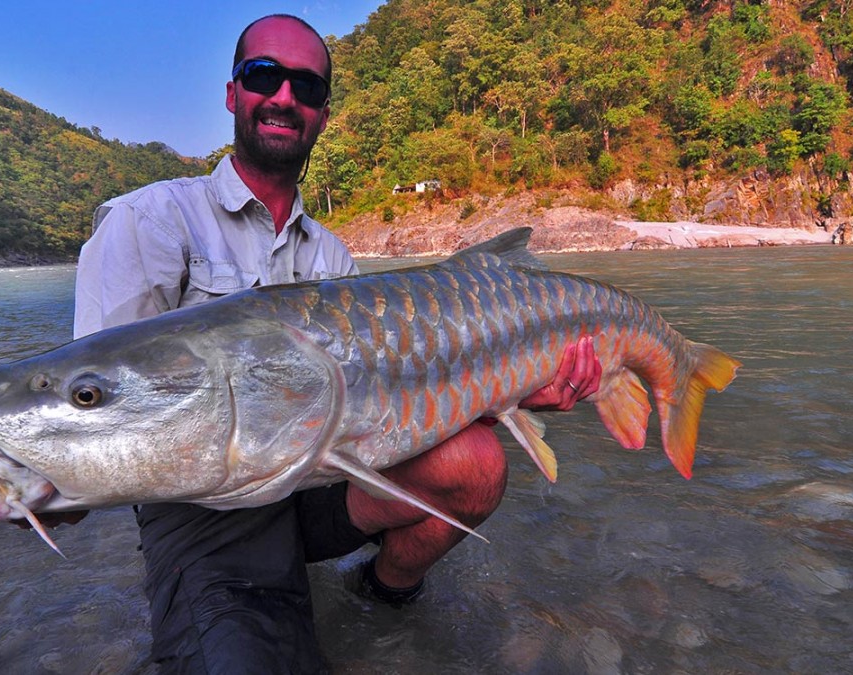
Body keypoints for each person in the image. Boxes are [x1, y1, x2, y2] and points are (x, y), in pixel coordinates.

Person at [71, 14, 601, 674]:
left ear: (322, 114)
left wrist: (518, 386)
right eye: (265, 76)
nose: (285, 97)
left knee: (476, 461)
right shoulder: (147, 221)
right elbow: (100, 399)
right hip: (206, 511)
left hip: (314, 479)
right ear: (233, 93)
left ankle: (384, 592)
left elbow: (398, 397)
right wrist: (46, 485)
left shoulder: (331, 255)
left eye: (307, 87)